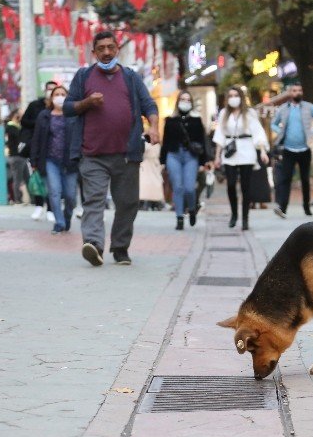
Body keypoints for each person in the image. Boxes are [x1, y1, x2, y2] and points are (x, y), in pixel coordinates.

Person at [64, 31, 159, 266]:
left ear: (117, 49)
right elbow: (67, 107)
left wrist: (154, 126)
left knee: (127, 203)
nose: (106, 52)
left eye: (110, 47)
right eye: (101, 49)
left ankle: (120, 248)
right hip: (92, 154)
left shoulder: (131, 77)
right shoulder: (83, 76)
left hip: (127, 154)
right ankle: (94, 245)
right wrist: (87, 103)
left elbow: (148, 103)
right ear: (93, 52)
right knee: (94, 201)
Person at [212, 86, 269, 230]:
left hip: (246, 149)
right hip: (230, 150)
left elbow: (258, 132)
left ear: (241, 97)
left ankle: (245, 218)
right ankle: (234, 214)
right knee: (230, 184)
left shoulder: (249, 113)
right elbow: (220, 135)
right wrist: (217, 156)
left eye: (235, 95)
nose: (233, 98)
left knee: (245, 186)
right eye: (230, 95)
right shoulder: (224, 113)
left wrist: (262, 151)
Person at [270, 81, 313, 218]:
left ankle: (306, 207)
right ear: (290, 93)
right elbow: (273, 124)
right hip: (288, 150)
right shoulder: (283, 108)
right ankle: (283, 208)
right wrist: (281, 131)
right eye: (294, 91)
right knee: (285, 179)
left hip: (305, 149)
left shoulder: (308, 107)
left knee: (305, 179)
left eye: (299, 90)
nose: (297, 93)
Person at [30, 85, 77, 234]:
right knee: (54, 192)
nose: (60, 97)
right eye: (57, 94)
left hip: (70, 161)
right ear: (51, 97)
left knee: (70, 196)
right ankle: (59, 223)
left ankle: (67, 217)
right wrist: (34, 160)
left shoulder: (73, 115)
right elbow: (36, 138)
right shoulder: (44, 115)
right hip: (51, 160)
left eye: (63, 94)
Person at [160, 90, 208, 230]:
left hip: (191, 156)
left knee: (189, 188)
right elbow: (166, 141)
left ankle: (192, 208)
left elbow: (202, 142)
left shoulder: (196, 120)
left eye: (188, 100)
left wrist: (202, 163)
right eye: (183, 99)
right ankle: (179, 217)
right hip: (173, 155)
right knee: (178, 187)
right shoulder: (170, 120)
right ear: (178, 101)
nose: (185, 102)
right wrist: (163, 161)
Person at [5, 109, 26, 204]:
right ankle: (18, 199)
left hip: (21, 156)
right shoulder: (11, 127)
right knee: (17, 178)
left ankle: (31, 198)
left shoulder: (18, 126)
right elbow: (20, 137)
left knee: (25, 177)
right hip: (16, 156)